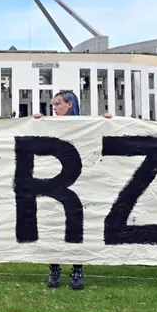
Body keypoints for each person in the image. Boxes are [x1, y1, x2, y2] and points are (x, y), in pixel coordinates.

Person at [34, 91, 113, 291]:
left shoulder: (85, 125)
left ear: (69, 105)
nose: (54, 107)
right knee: (54, 225)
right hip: (55, 182)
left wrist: (107, 122)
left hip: (80, 184)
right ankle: (55, 267)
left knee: (78, 226)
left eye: (58, 103)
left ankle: (77, 268)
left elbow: (100, 138)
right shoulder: (51, 124)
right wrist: (36, 123)